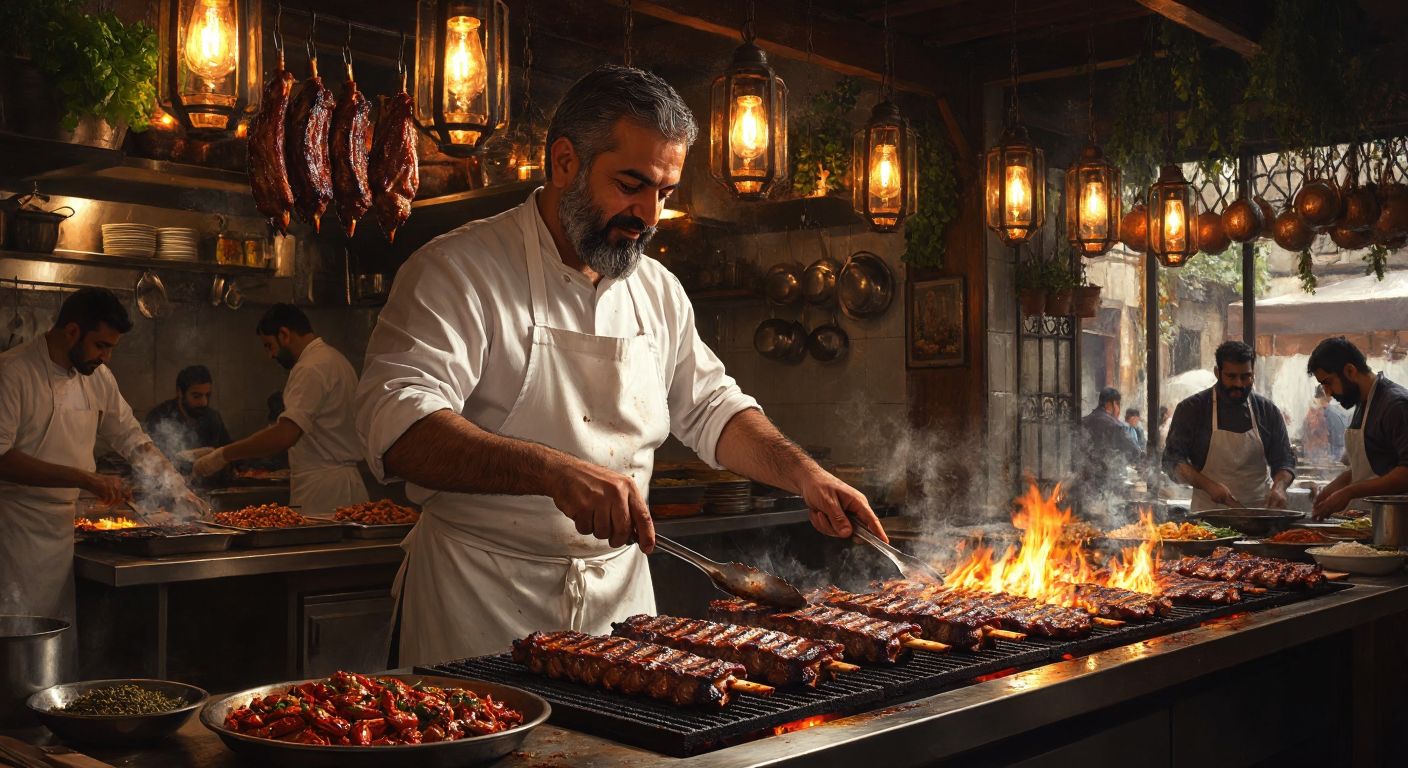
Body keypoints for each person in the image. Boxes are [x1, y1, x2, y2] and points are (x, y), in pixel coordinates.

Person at [354, 65, 888, 665]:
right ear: (563, 163)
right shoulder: (458, 270)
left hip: (619, 607)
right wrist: (553, 472)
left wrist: (804, 476)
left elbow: (713, 408)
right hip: (477, 601)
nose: (650, 214)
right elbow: (397, 428)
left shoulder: (657, 290)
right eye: (630, 184)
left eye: (664, 192)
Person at [0, 288, 199, 667]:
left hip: (63, 531)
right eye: (101, 345)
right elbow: (1, 458)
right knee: (19, 645)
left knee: (55, 649)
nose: (106, 356)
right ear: (72, 331)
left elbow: (130, 437)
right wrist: (86, 478)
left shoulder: (98, 377)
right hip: (14, 532)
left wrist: (175, 485)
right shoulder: (13, 372)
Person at [191, 305, 367, 515]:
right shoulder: (335, 359)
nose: (270, 355)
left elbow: (285, 435)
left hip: (323, 491)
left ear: (284, 334)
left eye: (269, 345)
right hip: (345, 485)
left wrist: (223, 455)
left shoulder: (309, 367)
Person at [1163, 341, 1295, 512]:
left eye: (1245, 377)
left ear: (1253, 375)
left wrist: (1279, 487)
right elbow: (1172, 461)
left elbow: (1284, 460)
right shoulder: (1192, 409)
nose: (1239, 384)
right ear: (1217, 373)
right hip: (1209, 517)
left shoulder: (1267, 411)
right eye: (1231, 376)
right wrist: (1209, 485)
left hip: (1259, 515)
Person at [1307, 337, 1408, 518]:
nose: (1327, 392)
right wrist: (1335, 487)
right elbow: (1373, 465)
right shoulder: (1363, 404)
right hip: (1373, 520)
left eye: (1328, 382)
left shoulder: (1395, 405)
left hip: (1398, 523)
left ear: (1350, 370)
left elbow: (1405, 473)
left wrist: (1349, 492)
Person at [142, 365, 232, 462]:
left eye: (207, 395)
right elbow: (148, 459)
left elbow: (229, 451)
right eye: (196, 396)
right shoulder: (159, 417)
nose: (204, 402)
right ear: (180, 392)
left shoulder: (212, 417)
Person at [1301, 385, 1348, 465]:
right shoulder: (1329, 413)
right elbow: (1339, 444)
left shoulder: (1309, 413)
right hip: (1326, 461)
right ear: (1328, 393)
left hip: (1313, 459)